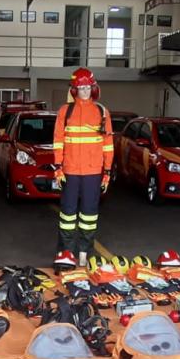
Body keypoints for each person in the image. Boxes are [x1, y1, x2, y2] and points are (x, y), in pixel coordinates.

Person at [52, 67, 114, 270]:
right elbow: (58, 142)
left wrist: (106, 173)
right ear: (74, 90)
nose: (85, 91)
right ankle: (66, 252)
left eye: (88, 87)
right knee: (67, 216)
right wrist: (58, 168)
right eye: (81, 88)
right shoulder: (65, 111)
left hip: (93, 172)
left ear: (93, 88)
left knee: (89, 216)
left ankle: (84, 254)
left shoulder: (102, 112)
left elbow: (108, 146)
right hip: (70, 171)